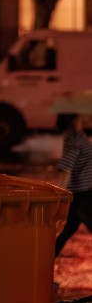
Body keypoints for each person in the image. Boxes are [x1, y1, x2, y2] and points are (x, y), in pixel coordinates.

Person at [55, 109, 92, 257]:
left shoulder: (78, 136)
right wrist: (59, 195)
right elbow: (66, 168)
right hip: (84, 198)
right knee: (60, 238)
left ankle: (39, 273)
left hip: (80, 198)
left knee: (61, 238)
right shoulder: (75, 138)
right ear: (77, 114)